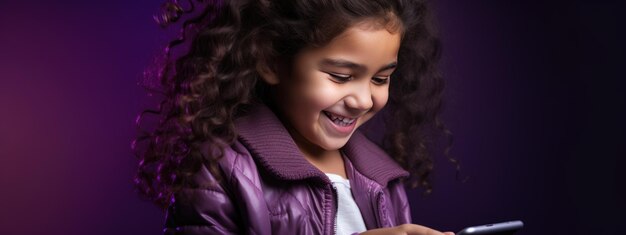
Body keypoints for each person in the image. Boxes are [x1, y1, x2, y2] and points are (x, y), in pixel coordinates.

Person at [134, 0, 456, 234]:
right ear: (271, 62)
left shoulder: (382, 179)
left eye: (380, 79)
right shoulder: (221, 169)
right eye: (341, 76)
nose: (362, 100)